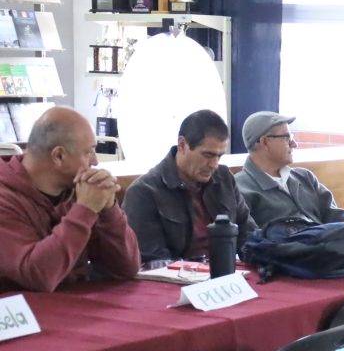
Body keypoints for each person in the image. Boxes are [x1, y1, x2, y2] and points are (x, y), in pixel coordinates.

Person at [0, 107, 140, 292]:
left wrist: (108, 210)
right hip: (21, 308)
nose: (95, 162)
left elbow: (126, 268)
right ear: (59, 156)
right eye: (88, 152)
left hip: (74, 304)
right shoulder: (5, 197)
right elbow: (39, 276)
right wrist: (85, 210)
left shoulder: (78, 189)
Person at [123, 109, 256, 263]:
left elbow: (249, 234)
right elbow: (153, 260)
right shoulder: (143, 192)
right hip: (178, 275)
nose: (214, 165)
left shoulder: (224, 178)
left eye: (219, 156)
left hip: (227, 270)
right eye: (208, 155)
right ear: (182, 145)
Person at [235, 111, 344, 227]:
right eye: (287, 137)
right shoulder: (240, 189)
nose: (294, 144)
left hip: (328, 238)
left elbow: (336, 216)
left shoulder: (305, 177)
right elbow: (251, 237)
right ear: (265, 142)